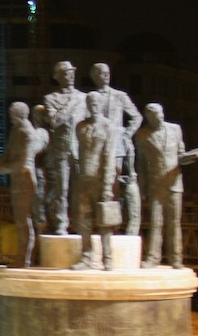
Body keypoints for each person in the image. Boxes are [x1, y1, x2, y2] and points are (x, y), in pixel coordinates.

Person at [134, 103, 198, 269]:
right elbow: (141, 165)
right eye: (156, 117)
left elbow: (180, 154)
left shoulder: (175, 129)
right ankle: (152, 258)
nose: (161, 118)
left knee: (174, 223)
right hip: (155, 184)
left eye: (162, 115)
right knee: (155, 223)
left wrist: (191, 157)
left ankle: (176, 259)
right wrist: (142, 188)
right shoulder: (141, 135)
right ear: (149, 117)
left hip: (174, 182)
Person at [0, 102, 49, 267]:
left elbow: (22, 163)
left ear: (17, 114)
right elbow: (8, 155)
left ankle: (25, 258)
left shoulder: (26, 133)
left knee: (24, 220)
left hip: (25, 179)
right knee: (20, 220)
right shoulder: (16, 131)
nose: (10, 116)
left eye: (12, 113)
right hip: (17, 180)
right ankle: (22, 256)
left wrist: (1, 169)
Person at [88, 62, 143, 235]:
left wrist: (126, 134)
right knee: (96, 182)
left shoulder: (120, 96)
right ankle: (99, 222)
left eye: (107, 73)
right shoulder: (89, 97)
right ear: (94, 76)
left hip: (116, 146)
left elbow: (136, 117)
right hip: (95, 145)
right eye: (101, 74)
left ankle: (114, 224)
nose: (105, 76)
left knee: (114, 183)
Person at [70, 91, 117, 270]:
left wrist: (107, 186)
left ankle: (107, 258)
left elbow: (109, 156)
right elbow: (78, 153)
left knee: (104, 220)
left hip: (99, 179)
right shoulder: (80, 127)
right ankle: (87, 256)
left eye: (97, 103)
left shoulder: (108, 127)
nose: (93, 106)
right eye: (90, 103)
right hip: (83, 180)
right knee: (83, 220)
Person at [40, 61, 85, 235]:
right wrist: (71, 104)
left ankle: (80, 223)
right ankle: (61, 223)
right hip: (61, 150)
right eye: (66, 73)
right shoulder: (51, 98)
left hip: (80, 150)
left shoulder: (84, 97)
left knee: (80, 190)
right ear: (58, 77)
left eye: (72, 72)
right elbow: (54, 121)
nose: (70, 76)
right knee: (61, 190)